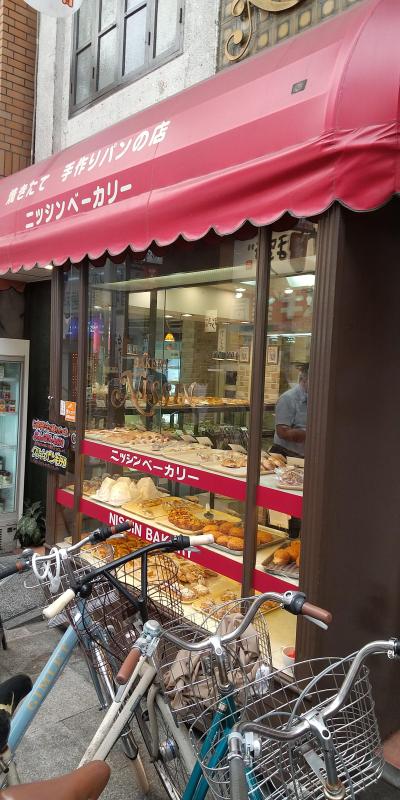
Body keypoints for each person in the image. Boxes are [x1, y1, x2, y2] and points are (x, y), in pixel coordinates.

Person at [272, 364, 308, 458]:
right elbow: (283, 432)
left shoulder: (317, 399)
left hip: (304, 455)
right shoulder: (287, 399)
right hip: (286, 455)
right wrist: (312, 435)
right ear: (305, 379)